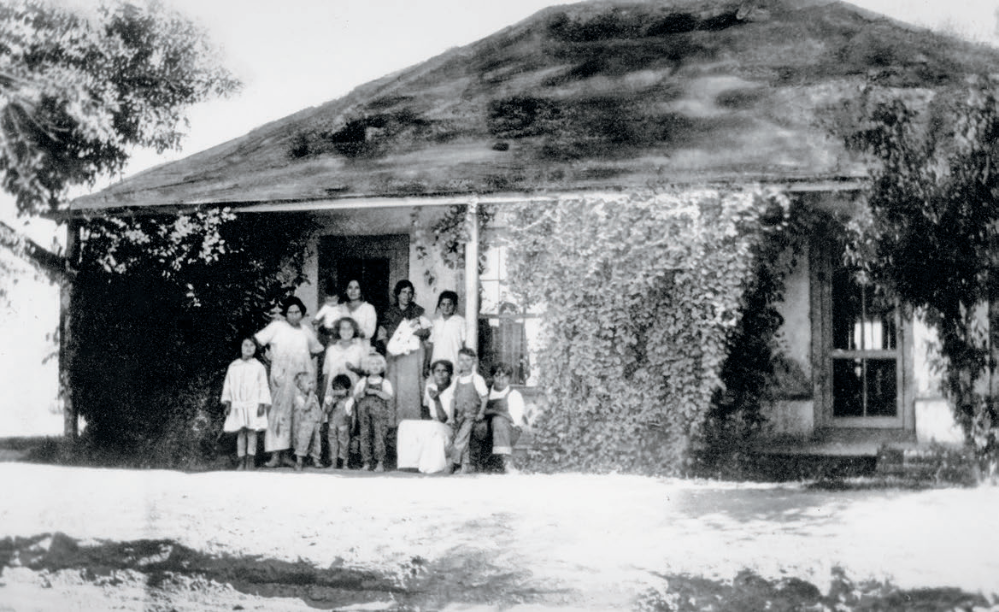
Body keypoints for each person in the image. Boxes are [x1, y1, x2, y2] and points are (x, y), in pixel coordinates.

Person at [254, 296, 323, 468]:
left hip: (300, 380)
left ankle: (289, 455)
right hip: (281, 379)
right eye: (290, 312)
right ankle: (275, 456)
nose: (294, 315)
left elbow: (317, 349)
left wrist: (304, 362)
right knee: (279, 413)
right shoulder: (277, 327)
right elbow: (258, 340)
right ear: (286, 314)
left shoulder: (306, 331)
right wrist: (267, 358)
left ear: (302, 313)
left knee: (297, 414)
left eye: (297, 312)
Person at [383, 280, 432, 423]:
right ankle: (395, 422)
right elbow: (383, 335)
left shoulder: (418, 311)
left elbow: (427, 332)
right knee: (395, 386)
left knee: (412, 387)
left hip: (414, 356)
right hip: (395, 356)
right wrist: (391, 349)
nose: (406, 295)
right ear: (397, 294)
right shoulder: (388, 313)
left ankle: (413, 420)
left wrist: (411, 331)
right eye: (403, 292)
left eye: (410, 292)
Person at [221, 336, 272, 470]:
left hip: (253, 404)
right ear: (241, 347)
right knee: (241, 432)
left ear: (255, 349)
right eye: (246, 345)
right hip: (238, 404)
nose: (248, 348)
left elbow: (263, 386)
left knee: (252, 431)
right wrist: (227, 403)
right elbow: (228, 385)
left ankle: (251, 460)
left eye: (251, 346)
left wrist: (262, 404)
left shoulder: (258, 367)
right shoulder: (234, 366)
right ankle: (241, 460)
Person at [396, 359, 455, 474]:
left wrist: (437, 400)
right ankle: (409, 464)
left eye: (445, 371)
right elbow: (427, 411)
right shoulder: (431, 387)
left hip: (450, 428)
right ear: (433, 374)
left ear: (451, 374)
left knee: (433, 428)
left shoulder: (454, 389)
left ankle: (432, 467)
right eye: (437, 371)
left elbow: (444, 419)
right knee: (405, 424)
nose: (441, 374)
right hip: (434, 424)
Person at [473, 363, 525, 474]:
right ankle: (476, 462)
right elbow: (476, 412)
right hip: (489, 434)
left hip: (510, 432)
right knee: (478, 425)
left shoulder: (514, 395)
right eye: (497, 376)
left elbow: (514, 419)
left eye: (504, 377)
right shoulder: (485, 393)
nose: (500, 380)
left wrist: (491, 411)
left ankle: (506, 462)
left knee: (498, 421)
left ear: (509, 378)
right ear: (492, 377)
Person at [448, 347, 488, 475]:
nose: (464, 363)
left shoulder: (476, 379)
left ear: (474, 361)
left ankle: (452, 463)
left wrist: (481, 413)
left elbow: (484, 397)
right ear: (458, 361)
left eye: (468, 360)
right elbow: (452, 399)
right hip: (460, 416)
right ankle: (464, 466)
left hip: (471, 415)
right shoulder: (456, 380)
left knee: (460, 440)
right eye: (461, 360)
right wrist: (451, 417)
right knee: (463, 442)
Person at [353, 352, 394, 472]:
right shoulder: (363, 381)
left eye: (378, 364)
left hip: (379, 415)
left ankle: (379, 462)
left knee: (379, 436)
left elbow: (388, 396)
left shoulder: (384, 382)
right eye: (372, 364)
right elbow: (356, 395)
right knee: (365, 436)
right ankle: (366, 462)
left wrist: (375, 392)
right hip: (364, 414)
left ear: (382, 366)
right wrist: (360, 394)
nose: (375, 366)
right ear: (367, 367)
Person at [322, 316, 366, 399]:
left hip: (353, 394)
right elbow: (326, 374)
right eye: (343, 328)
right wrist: (323, 397)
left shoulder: (359, 350)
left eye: (349, 328)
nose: (346, 331)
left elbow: (365, 373)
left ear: (354, 330)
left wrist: (354, 369)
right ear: (338, 330)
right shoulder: (331, 350)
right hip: (332, 395)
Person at [427, 291, 465, 374]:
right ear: (439, 306)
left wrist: (463, 365)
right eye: (443, 304)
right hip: (437, 364)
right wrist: (427, 364)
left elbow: (464, 345)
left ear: (455, 306)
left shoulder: (461, 322)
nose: (446, 307)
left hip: (455, 365)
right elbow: (431, 346)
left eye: (449, 304)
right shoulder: (435, 323)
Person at [292, 371, 323, 471]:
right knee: (303, 442)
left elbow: (317, 408)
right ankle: (299, 461)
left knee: (316, 442)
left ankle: (316, 460)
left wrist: (320, 420)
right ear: (300, 386)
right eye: (309, 383)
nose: (312, 385)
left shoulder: (315, 397)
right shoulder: (299, 398)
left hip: (315, 423)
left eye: (313, 383)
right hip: (304, 425)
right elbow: (306, 407)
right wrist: (310, 396)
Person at [323, 374, 353, 469]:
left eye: (341, 389)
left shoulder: (350, 400)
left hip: (344, 426)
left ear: (347, 389)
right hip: (332, 426)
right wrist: (331, 403)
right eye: (336, 389)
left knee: (344, 444)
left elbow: (353, 415)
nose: (338, 391)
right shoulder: (330, 399)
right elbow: (327, 411)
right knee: (332, 443)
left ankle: (345, 464)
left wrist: (353, 426)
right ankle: (333, 463)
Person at [342, 279, 377, 347]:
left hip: (361, 348)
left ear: (361, 290)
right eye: (350, 287)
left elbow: (370, 331)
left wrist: (355, 333)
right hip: (342, 348)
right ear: (346, 290)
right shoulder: (340, 308)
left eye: (357, 288)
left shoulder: (368, 308)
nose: (353, 291)